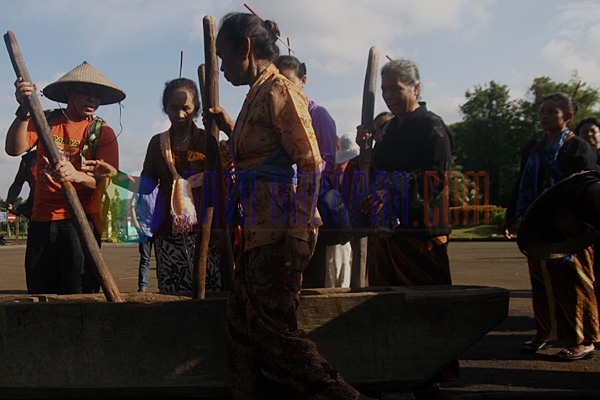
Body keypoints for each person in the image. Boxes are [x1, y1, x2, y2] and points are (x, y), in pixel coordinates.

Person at [211, 12, 374, 399]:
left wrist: (300, 229)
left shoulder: (279, 90)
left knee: (276, 337)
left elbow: (310, 161)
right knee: (239, 327)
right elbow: (260, 152)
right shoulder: (256, 93)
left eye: (223, 56)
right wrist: (228, 131)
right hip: (254, 233)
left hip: (280, 231)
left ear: (246, 49)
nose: (221, 66)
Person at [356, 58, 457, 389]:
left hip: (420, 230)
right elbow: (375, 171)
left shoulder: (432, 126)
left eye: (395, 89)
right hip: (388, 231)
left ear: (416, 88)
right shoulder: (387, 129)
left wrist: (392, 192)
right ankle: (398, 366)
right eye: (384, 89)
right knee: (388, 301)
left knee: (425, 304)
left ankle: (434, 372)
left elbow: (436, 178)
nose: (388, 96)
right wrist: (365, 149)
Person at [84, 78, 223, 294]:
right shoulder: (157, 144)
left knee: (210, 295)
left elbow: (220, 188)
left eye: (186, 108)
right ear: (165, 108)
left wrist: (222, 231)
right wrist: (114, 175)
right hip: (167, 234)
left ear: (196, 109)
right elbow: (147, 187)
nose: (179, 115)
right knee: (173, 299)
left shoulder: (208, 142)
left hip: (205, 234)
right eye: (173, 108)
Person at [5, 61, 123, 294]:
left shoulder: (102, 132)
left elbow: (107, 182)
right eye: (85, 93)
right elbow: (14, 148)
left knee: (80, 293)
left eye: (96, 96)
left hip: (81, 222)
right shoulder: (45, 120)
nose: (92, 100)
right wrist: (24, 111)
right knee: (41, 292)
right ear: (69, 93)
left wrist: (77, 175)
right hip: (41, 220)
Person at [503, 92, 599, 361]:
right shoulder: (533, 149)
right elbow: (521, 182)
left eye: (551, 111)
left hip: (570, 226)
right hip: (539, 224)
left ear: (567, 117)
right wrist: (511, 215)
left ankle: (584, 338)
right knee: (542, 281)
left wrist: (575, 221)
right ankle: (544, 330)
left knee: (576, 280)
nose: (543, 116)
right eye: (542, 111)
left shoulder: (579, 148)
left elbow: (586, 189)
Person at [274, 54, 338, 288]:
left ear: (303, 81)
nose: (285, 89)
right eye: (279, 82)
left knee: (309, 269)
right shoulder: (275, 114)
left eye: (289, 81)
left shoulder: (318, 114)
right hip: (280, 200)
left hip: (310, 198)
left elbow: (328, 160)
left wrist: (302, 168)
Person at [324, 133, 360, 288]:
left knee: (341, 264)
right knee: (336, 264)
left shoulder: (353, 172)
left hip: (344, 226)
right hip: (337, 224)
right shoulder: (337, 173)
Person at [129, 187, 159, 292]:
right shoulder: (140, 190)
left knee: (160, 260)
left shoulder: (160, 189)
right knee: (145, 259)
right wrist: (137, 226)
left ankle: (162, 284)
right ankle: (143, 286)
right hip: (144, 230)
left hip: (158, 229)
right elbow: (132, 207)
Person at [6, 148, 37, 219]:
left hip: (64, 211)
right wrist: (10, 201)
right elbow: (18, 183)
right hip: (36, 212)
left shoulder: (65, 156)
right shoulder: (30, 159)